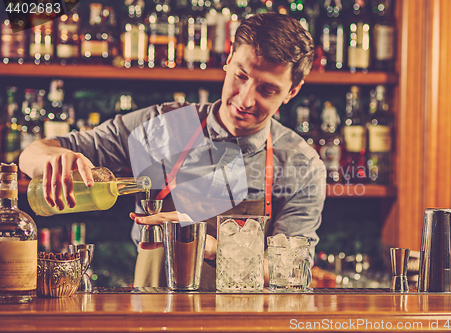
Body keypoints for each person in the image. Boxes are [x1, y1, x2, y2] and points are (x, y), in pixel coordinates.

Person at [19, 12, 326, 290]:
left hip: (243, 323)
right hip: (152, 318)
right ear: (228, 59)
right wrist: (53, 159)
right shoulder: (164, 127)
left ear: (292, 91)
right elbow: (30, 155)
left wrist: (206, 246)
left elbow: (292, 272)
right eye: (241, 76)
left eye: (267, 89)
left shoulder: (300, 163)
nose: (245, 99)